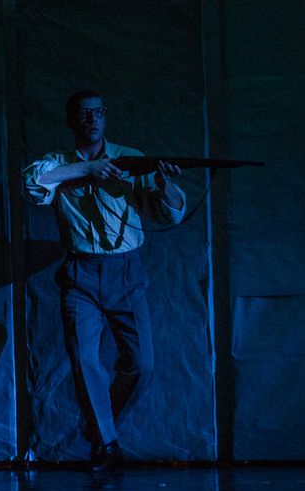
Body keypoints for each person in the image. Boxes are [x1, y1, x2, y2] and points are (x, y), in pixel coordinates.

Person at [22, 90, 186, 471]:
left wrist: (164, 185)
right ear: (71, 120)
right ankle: (107, 444)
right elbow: (32, 184)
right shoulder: (58, 162)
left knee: (142, 364)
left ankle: (100, 427)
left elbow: (168, 214)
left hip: (126, 272)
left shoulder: (130, 157)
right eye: (84, 114)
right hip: (81, 274)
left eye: (98, 112)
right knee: (85, 361)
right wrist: (88, 170)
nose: (92, 119)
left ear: (105, 117)